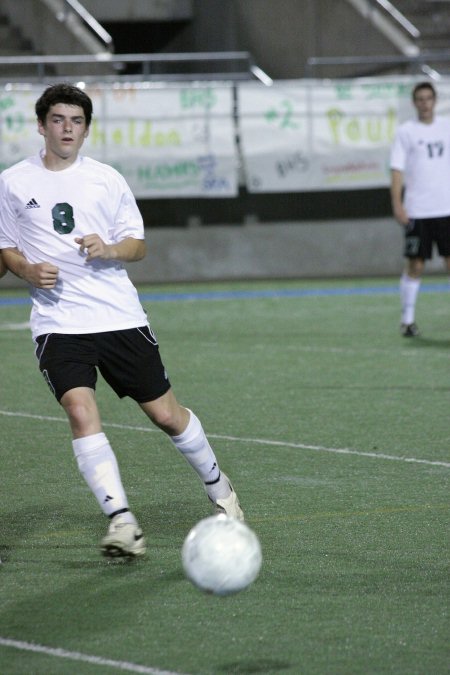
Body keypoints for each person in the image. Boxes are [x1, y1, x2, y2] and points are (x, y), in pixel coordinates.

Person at [0, 83, 243, 559]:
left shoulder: (107, 179)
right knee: (79, 410)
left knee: (166, 415)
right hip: (58, 323)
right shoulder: (12, 182)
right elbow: (4, 246)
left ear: (87, 130)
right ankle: (122, 521)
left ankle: (220, 488)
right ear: (41, 125)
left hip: (117, 316)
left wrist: (109, 248)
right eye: (58, 119)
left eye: (76, 121)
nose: (67, 128)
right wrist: (25, 268)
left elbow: (138, 245)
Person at [390, 81, 450, 337]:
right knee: (415, 265)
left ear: (435, 100)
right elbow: (397, 170)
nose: (425, 103)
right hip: (418, 209)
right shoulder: (406, 132)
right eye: (420, 99)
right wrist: (397, 203)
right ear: (414, 103)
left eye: (429, 98)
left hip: (446, 208)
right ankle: (407, 321)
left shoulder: (447, 127)